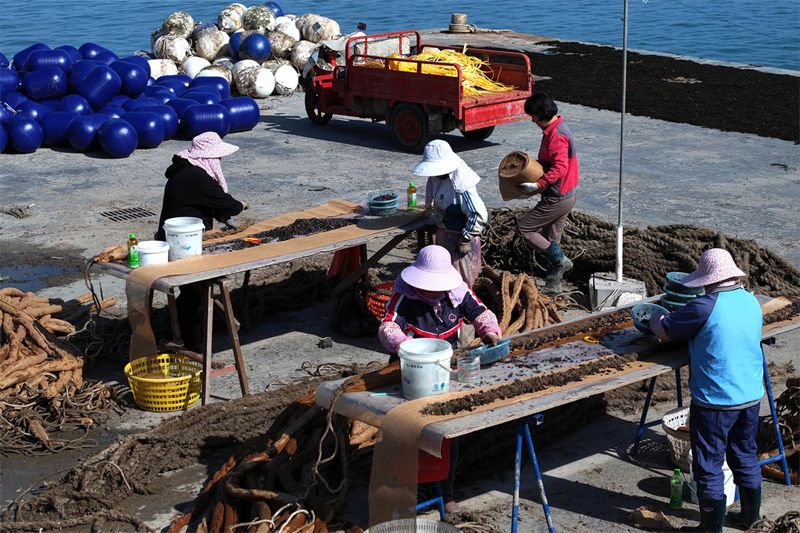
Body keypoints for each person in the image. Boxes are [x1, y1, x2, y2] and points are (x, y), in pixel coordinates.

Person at [378, 245, 503, 514]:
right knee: (407, 433)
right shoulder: (405, 297)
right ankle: (404, 491)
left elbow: (480, 313)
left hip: (444, 374)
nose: (433, 291)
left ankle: (445, 492)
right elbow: (387, 326)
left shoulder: (457, 294)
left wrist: (490, 330)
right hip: (410, 372)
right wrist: (404, 344)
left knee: (447, 436)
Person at [649, 249, 763, 533]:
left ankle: (710, 529)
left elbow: (665, 331)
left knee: (709, 464)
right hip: (750, 395)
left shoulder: (704, 305)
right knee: (744, 454)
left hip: (716, 400)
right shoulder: (751, 301)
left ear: (708, 280)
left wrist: (654, 318)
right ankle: (751, 518)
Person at [154, 131, 249, 352]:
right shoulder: (196, 176)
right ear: (208, 157)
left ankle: (177, 332)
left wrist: (225, 218)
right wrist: (239, 206)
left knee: (192, 292)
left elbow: (204, 203)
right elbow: (225, 202)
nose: (220, 161)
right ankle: (180, 336)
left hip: (178, 238)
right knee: (194, 290)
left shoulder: (186, 171)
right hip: (181, 244)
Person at [514, 91, 579, 294]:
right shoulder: (554, 129)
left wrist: (537, 184)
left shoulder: (557, 136)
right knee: (552, 241)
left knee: (524, 230)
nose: (532, 120)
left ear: (541, 113)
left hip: (558, 196)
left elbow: (560, 168)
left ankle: (561, 261)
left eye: (533, 116)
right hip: (567, 194)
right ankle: (553, 286)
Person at [413, 139, 489, 289]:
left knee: (461, 283)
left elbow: (478, 214)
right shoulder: (438, 178)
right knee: (444, 279)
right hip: (444, 234)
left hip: (459, 238)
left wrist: (465, 239)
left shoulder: (462, 183)